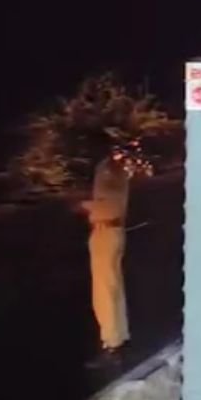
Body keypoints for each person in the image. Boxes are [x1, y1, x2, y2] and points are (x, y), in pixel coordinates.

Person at [79, 152, 132, 361]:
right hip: (109, 232)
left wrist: (85, 205)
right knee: (112, 288)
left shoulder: (110, 170)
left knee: (104, 291)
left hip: (106, 232)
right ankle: (118, 335)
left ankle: (111, 342)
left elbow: (110, 205)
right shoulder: (113, 169)